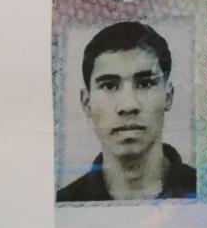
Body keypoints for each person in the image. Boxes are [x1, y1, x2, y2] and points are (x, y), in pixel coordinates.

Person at [57, 21, 196, 202]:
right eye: (109, 86)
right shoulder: (64, 203)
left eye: (145, 84)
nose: (128, 105)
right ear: (86, 102)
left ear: (168, 97)